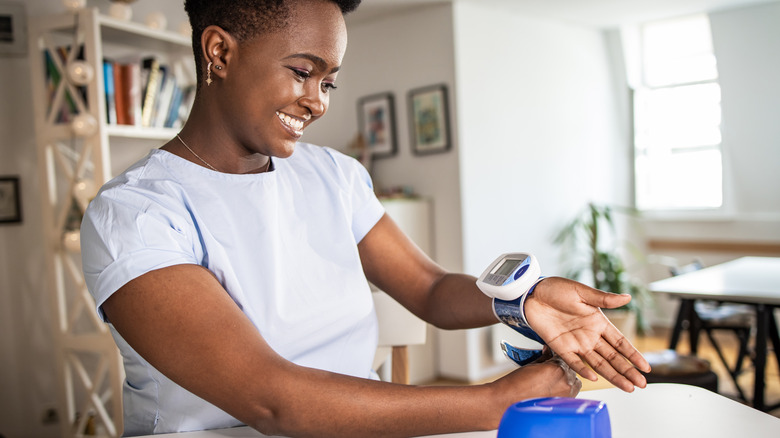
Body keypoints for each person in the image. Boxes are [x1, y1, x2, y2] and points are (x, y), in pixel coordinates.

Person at [80, 0, 651, 436]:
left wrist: (522, 301)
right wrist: (492, 402)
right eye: (302, 71)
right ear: (219, 52)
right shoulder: (135, 215)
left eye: (328, 81)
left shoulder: (333, 175)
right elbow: (271, 398)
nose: (318, 101)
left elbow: (428, 289)